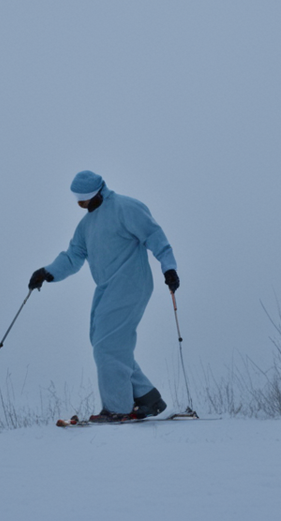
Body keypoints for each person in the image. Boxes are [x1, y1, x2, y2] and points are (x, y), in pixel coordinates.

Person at [29, 170, 180, 423]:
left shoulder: (125, 208)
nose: (81, 205)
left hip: (131, 284)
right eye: (77, 201)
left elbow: (155, 236)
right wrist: (47, 272)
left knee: (108, 345)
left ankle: (118, 408)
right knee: (103, 342)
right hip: (107, 288)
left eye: (83, 200)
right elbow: (73, 256)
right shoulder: (85, 225)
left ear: (97, 193)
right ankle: (147, 397)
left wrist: (169, 267)